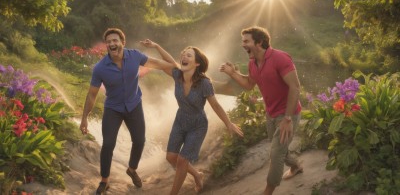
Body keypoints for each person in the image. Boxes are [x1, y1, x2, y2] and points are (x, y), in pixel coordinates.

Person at [140, 39, 244, 195]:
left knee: (182, 161)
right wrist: (156, 46)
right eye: (183, 55)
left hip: (197, 125)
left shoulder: (204, 83)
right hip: (180, 120)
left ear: (197, 63)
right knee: (171, 157)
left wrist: (228, 123)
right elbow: (167, 62)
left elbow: (215, 105)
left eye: (189, 55)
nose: (184, 57)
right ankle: (197, 174)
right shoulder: (177, 75)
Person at [79, 28, 175, 195]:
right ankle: (104, 181)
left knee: (139, 141)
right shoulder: (100, 68)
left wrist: (177, 68)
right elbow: (91, 95)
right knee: (108, 144)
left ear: (123, 42)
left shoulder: (135, 56)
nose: (111, 44)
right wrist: (84, 118)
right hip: (113, 108)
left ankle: (131, 169)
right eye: (108, 42)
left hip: (134, 105)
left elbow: (159, 64)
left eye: (115, 40)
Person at [219, 26, 302, 195]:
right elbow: (249, 85)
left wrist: (287, 119)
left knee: (276, 154)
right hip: (271, 114)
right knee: (278, 148)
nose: (243, 45)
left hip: (288, 114)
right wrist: (233, 73)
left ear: (259, 42)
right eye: (243, 41)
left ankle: (267, 191)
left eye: (246, 41)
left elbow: (295, 87)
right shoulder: (253, 63)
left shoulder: (280, 58)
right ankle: (296, 166)